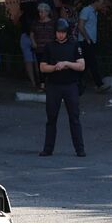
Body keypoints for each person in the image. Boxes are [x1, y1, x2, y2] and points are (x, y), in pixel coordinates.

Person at [37, 18, 87, 157]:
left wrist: (66, 63)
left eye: (63, 32)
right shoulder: (49, 46)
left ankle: (80, 149)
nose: (60, 35)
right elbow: (42, 67)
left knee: (74, 118)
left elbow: (81, 65)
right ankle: (48, 149)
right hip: (54, 86)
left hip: (70, 86)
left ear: (67, 32)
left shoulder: (74, 45)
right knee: (51, 118)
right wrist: (55, 67)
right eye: (58, 32)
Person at [77, 0, 109, 90]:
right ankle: (99, 84)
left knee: (86, 65)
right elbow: (80, 26)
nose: (102, 5)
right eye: (101, 2)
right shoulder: (86, 10)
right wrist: (87, 39)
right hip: (85, 41)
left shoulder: (95, 12)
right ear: (96, 2)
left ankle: (74, 82)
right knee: (93, 63)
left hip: (91, 41)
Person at [30, 1, 56, 89]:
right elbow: (32, 34)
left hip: (50, 48)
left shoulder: (53, 23)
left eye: (42, 12)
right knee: (41, 66)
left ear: (47, 12)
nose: (40, 14)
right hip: (39, 48)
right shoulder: (35, 23)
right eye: (39, 12)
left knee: (51, 66)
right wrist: (33, 42)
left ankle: (50, 83)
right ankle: (42, 84)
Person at [17, 0, 39, 88]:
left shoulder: (22, 14)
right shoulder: (36, 12)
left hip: (24, 36)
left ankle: (33, 82)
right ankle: (40, 80)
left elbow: (16, 22)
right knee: (37, 59)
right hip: (36, 36)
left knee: (28, 60)